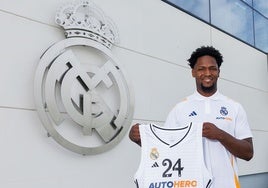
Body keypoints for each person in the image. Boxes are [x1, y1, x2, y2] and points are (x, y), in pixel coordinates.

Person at [129, 46, 254, 188]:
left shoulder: (234, 107)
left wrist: (219, 134)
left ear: (219, 72)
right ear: (193, 72)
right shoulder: (180, 109)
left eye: (212, 68)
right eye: (201, 69)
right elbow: (165, 150)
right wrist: (141, 139)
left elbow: (248, 153)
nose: (207, 73)